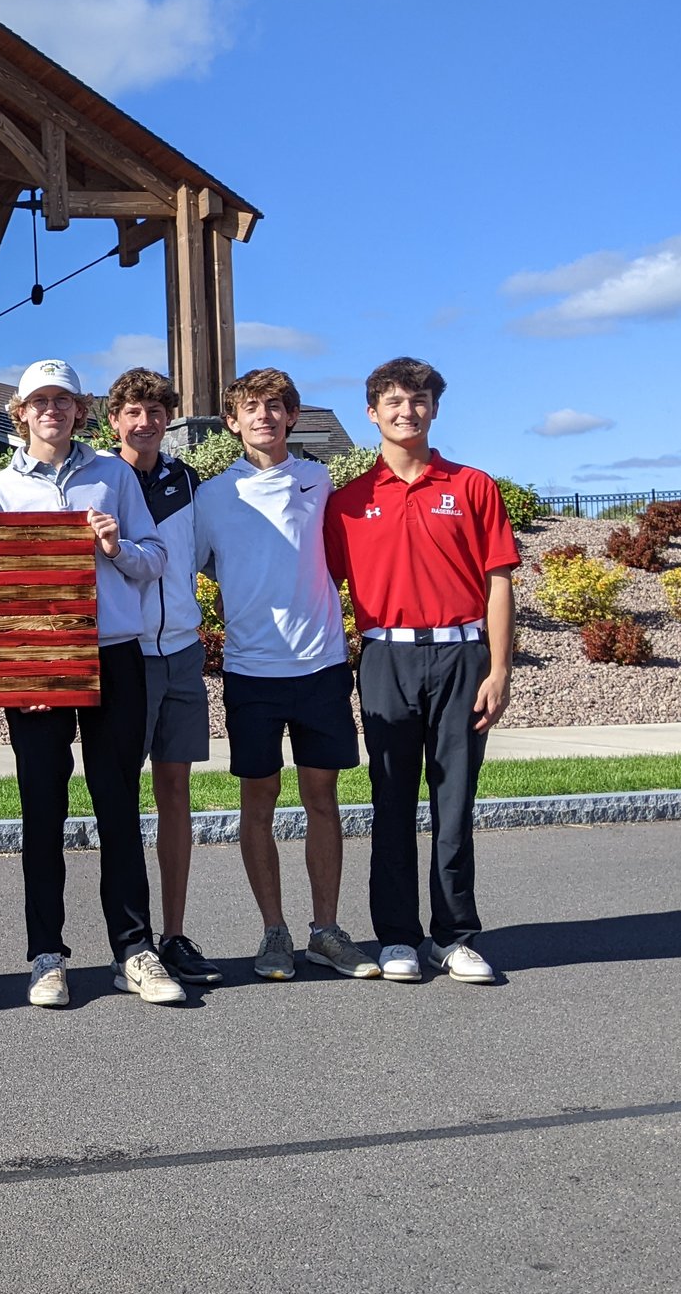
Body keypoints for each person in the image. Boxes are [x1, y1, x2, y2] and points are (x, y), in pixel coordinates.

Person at [0, 359, 181, 1010]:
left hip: (114, 655)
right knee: (43, 811)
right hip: (38, 666)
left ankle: (134, 950)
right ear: (22, 413)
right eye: (41, 402)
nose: (52, 411)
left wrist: (117, 547)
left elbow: (156, 561)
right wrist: (13, 670)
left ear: (78, 412)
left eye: (63, 401)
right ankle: (46, 954)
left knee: (117, 805)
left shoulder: (114, 476)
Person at [324, 358, 517, 984]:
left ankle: (455, 936)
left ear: (434, 408)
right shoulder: (348, 503)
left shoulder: (472, 486)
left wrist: (500, 669)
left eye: (419, 399)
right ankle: (398, 937)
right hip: (384, 658)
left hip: (463, 657)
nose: (407, 410)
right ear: (372, 412)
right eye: (394, 401)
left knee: (454, 803)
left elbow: (498, 581)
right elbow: (321, 588)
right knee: (391, 802)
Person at [192, 367, 379, 983]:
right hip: (251, 672)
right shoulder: (213, 497)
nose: (263, 416)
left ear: (293, 417)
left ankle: (325, 930)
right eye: (251, 407)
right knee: (259, 802)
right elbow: (199, 569)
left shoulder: (319, 480)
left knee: (322, 800)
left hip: (321, 666)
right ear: (232, 420)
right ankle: (274, 932)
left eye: (275, 406)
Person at [104, 367, 219, 988]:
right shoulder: (102, 479)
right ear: (113, 419)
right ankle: (134, 940)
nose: (144, 422)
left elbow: (205, 557)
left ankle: (173, 934)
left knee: (175, 792)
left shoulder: (186, 480)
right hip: (124, 656)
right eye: (133, 411)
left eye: (155, 411)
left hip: (180, 654)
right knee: (121, 799)